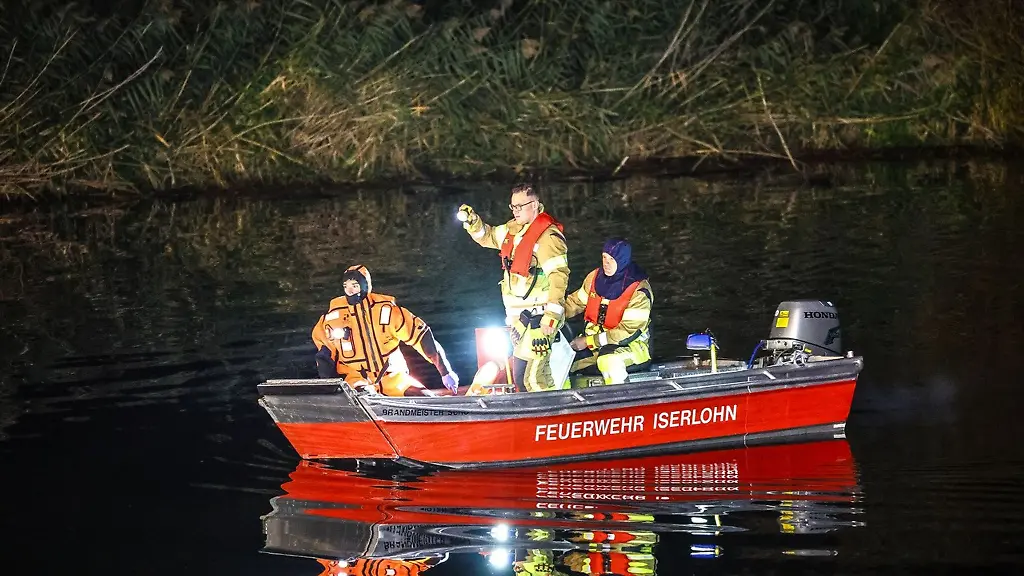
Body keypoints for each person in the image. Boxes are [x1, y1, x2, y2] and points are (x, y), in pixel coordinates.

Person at [459, 184, 570, 392]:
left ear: (535, 205)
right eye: (513, 206)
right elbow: (488, 236)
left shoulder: (548, 238)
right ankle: (548, 414)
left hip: (540, 319)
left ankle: (546, 419)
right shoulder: (512, 231)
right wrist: (472, 221)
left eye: (520, 206)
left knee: (530, 377)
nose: (515, 210)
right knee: (530, 376)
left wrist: (551, 317)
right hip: (520, 322)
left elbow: (559, 277)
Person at [311, 264, 459, 396]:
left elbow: (422, 336)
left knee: (424, 398)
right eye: (346, 286)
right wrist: (329, 389)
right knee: (366, 396)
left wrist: (445, 371)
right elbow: (324, 354)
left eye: (355, 285)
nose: (349, 291)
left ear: (365, 287)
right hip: (356, 380)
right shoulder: (332, 318)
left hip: (394, 378)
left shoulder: (387, 311)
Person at [563, 238, 653, 385]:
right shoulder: (594, 278)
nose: (606, 263)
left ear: (622, 260)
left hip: (632, 348)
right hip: (595, 347)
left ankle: (621, 401)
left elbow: (627, 332)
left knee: (608, 360)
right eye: (604, 257)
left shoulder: (639, 290)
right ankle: (564, 403)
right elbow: (575, 303)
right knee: (561, 359)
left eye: (612, 259)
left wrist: (588, 341)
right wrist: (550, 316)